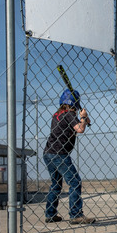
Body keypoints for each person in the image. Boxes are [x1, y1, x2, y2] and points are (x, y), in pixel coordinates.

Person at [43, 89, 95, 224]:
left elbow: (77, 124)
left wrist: (84, 119)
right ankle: (76, 214)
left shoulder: (57, 114)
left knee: (56, 185)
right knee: (75, 182)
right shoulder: (69, 114)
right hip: (59, 153)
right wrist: (83, 118)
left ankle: (50, 214)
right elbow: (80, 129)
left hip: (48, 153)